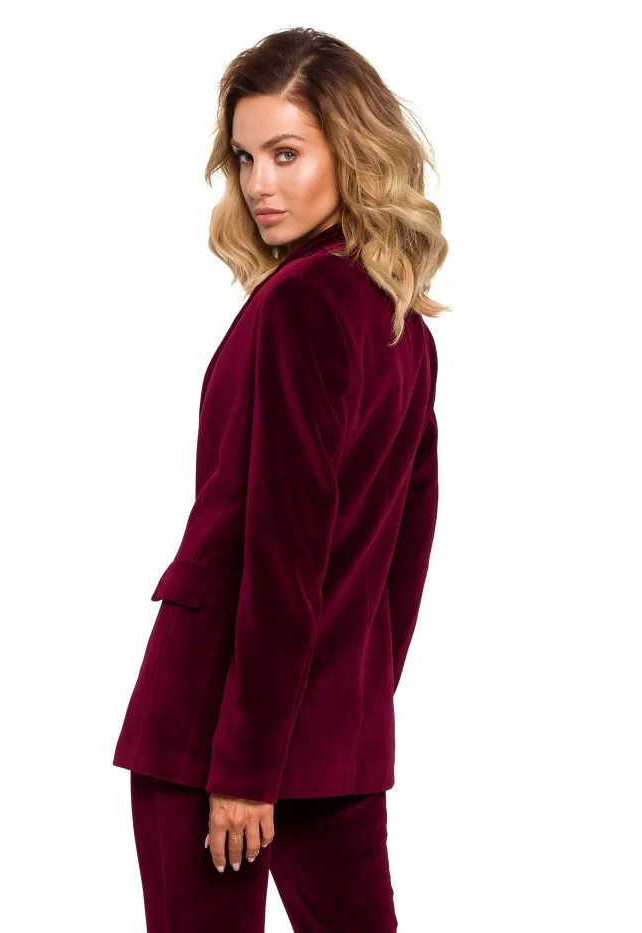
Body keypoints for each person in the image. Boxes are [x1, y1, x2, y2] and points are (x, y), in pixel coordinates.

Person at [112, 26, 449, 932]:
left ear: (353, 150)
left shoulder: (300, 304)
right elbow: (403, 554)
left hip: (216, 729)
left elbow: (285, 547)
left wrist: (247, 766)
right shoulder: (402, 326)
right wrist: (351, 703)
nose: (260, 183)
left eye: (287, 154)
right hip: (328, 726)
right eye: (245, 157)